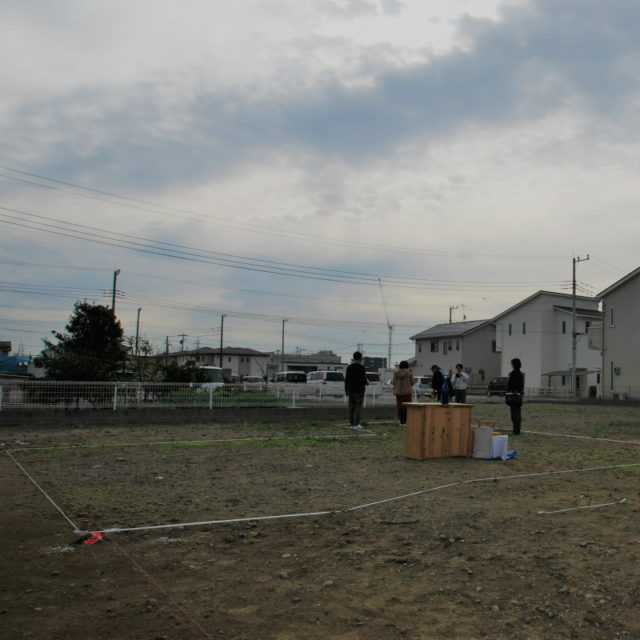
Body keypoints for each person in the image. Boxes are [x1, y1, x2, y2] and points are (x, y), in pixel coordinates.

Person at [344, 351, 368, 429]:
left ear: (353, 358)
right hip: (359, 389)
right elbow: (363, 379)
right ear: (361, 358)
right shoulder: (361, 368)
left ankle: (351, 423)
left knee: (351, 407)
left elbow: (346, 379)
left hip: (351, 389)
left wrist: (346, 390)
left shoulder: (349, 367)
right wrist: (367, 382)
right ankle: (356, 424)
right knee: (358, 406)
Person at [392, 361, 414, 426]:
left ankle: (401, 422)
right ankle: (405, 421)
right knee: (407, 407)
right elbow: (412, 383)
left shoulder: (396, 374)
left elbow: (393, 383)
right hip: (407, 392)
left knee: (400, 407)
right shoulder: (409, 373)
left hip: (398, 393)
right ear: (407, 366)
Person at [507, 357, 525, 435]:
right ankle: (517, 429)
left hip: (513, 395)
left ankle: (515, 430)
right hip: (519, 396)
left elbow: (511, 385)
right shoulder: (521, 374)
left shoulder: (513, 374)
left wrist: (510, 391)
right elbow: (521, 385)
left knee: (514, 414)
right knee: (518, 413)